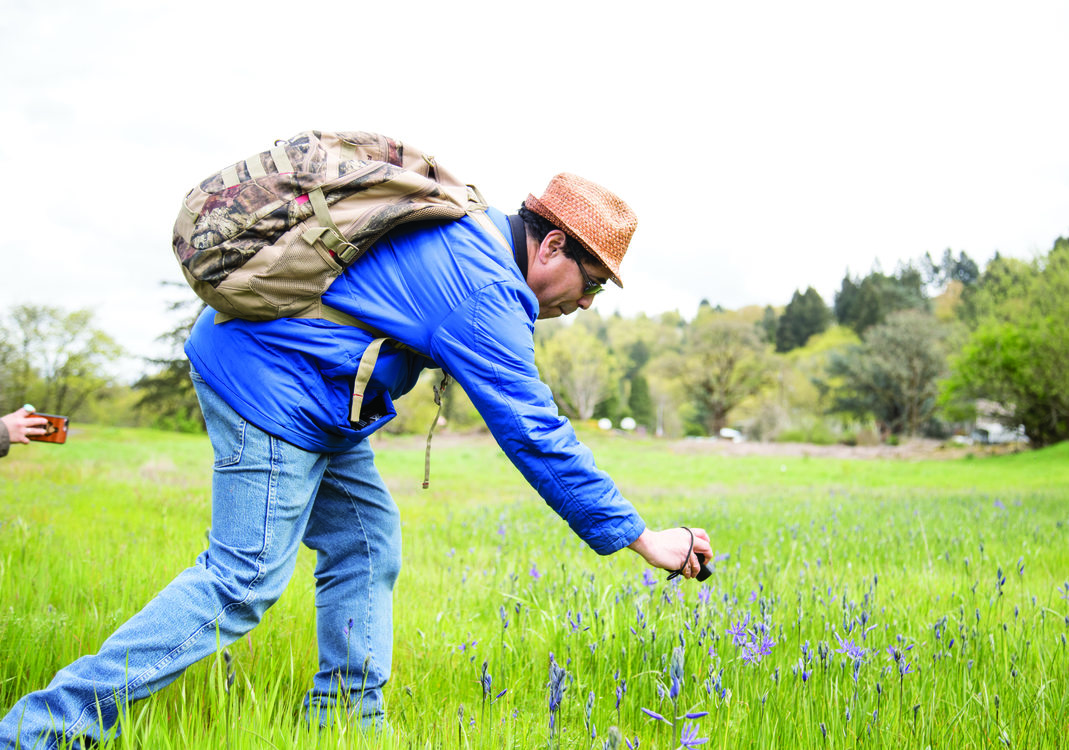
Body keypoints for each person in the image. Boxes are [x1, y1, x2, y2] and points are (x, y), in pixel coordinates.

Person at [0, 171, 713, 748]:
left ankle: (345, 722)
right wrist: (643, 539)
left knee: (367, 542)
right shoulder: (485, 286)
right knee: (242, 577)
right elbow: (533, 431)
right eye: (591, 282)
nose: (586, 302)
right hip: (271, 385)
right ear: (552, 245)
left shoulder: (466, 235)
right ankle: (41, 731)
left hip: (313, 395)